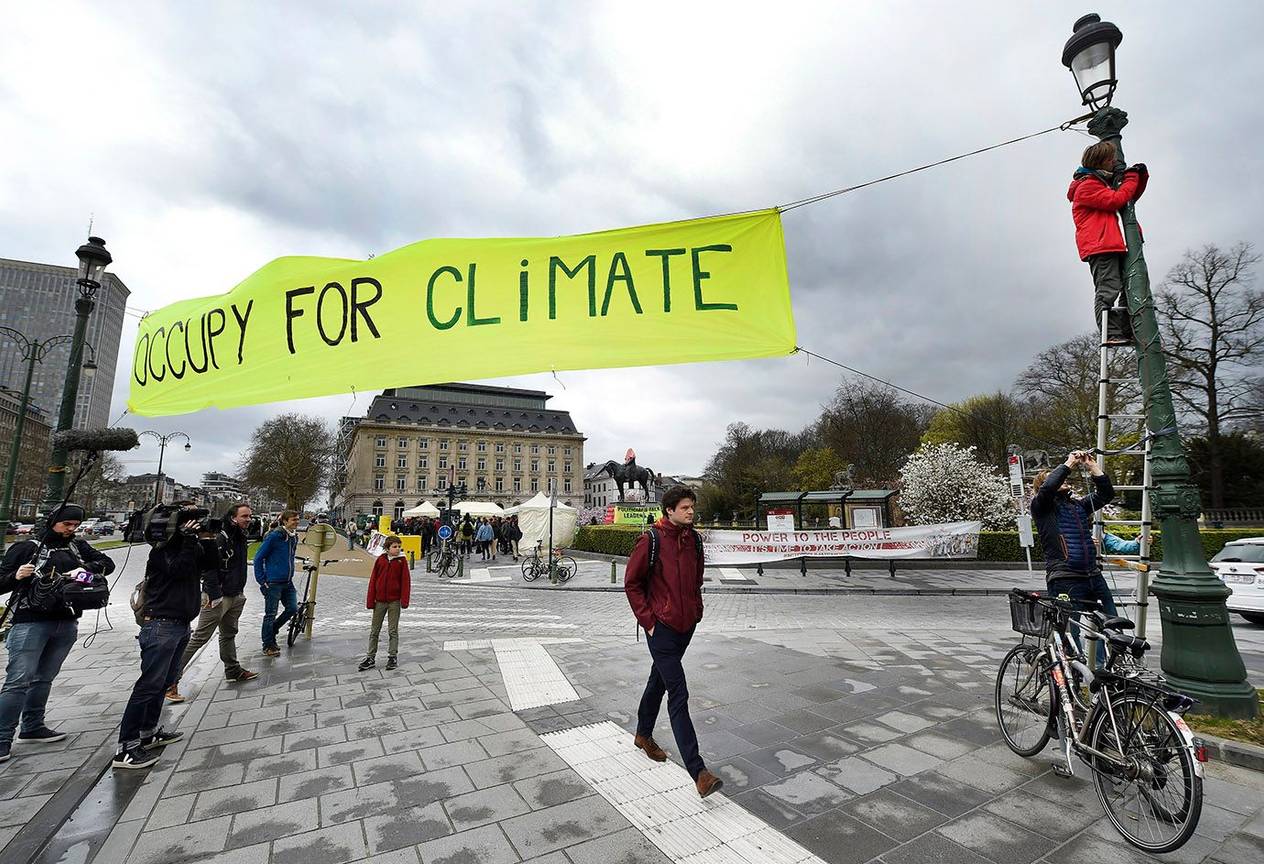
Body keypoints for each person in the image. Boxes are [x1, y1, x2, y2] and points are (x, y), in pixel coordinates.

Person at [623, 486, 722, 799]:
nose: (690, 512)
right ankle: (699, 771)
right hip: (661, 627)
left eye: (691, 507)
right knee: (678, 690)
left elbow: (696, 578)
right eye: (684, 507)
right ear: (669, 510)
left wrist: (696, 609)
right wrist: (649, 622)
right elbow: (632, 583)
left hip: (686, 624)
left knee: (659, 681)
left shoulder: (693, 539)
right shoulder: (651, 540)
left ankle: (643, 734)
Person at [0, 504, 114, 763]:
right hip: (31, 622)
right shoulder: (28, 548)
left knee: (44, 678)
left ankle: (32, 726)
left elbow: (107, 564)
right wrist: (15, 576)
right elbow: (1, 581)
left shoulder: (76, 547)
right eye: (67, 525)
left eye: (75, 525)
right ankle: (2, 739)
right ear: (53, 522)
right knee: (18, 681)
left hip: (66, 620)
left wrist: (83, 572)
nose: (71, 530)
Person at [113, 506, 217, 768]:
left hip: (179, 624)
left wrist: (207, 538)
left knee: (163, 683)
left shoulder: (188, 548)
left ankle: (147, 734)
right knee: (148, 685)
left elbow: (211, 565)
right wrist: (189, 540)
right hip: (160, 624)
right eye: (189, 524)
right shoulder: (161, 551)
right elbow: (180, 570)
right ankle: (126, 747)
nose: (194, 527)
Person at [166, 504, 259, 702]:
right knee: (200, 637)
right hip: (218, 596)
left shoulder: (239, 535)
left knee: (228, 634)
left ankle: (233, 670)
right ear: (233, 518)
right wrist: (213, 593)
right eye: (245, 516)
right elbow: (209, 567)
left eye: (250, 516)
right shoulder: (221, 536)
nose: (249, 519)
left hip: (236, 594)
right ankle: (170, 681)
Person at [1030, 451, 1117, 663]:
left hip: (1092, 576)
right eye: (1059, 478)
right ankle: (1074, 681)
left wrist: (1092, 466)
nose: (1064, 481)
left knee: (1114, 623)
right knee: (1070, 633)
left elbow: (1106, 495)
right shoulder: (1041, 507)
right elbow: (1049, 487)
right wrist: (1069, 462)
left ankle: (1106, 668)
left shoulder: (1078, 506)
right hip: (1065, 578)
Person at [1068, 141, 1149, 345]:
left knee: (1128, 287)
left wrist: (1140, 177)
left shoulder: (1100, 183)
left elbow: (1127, 198)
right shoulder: (1086, 187)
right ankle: (1110, 333)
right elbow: (1116, 200)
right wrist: (1130, 177)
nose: (1114, 162)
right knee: (1108, 288)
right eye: (1111, 159)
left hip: (1111, 244)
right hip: (1101, 247)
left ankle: (1126, 330)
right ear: (1101, 162)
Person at [358, 536, 411, 671]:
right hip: (379, 601)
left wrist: (404, 600)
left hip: (394, 601)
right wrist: (371, 600)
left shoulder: (402, 561)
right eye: (394, 546)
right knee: (374, 630)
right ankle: (370, 657)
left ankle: (392, 656)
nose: (397, 549)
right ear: (387, 548)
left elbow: (406, 582)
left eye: (399, 546)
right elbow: (373, 580)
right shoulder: (380, 560)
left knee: (393, 630)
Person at [254, 510, 300, 657]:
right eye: (294, 520)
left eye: (298, 519)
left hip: (287, 582)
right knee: (270, 614)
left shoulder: (293, 537)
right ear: (285, 521)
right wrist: (262, 580)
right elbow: (258, 558)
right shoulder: (274, 537)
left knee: (293, 608)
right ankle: (268, 645)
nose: (297, 522)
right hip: (273, 583)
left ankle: (272, 629)